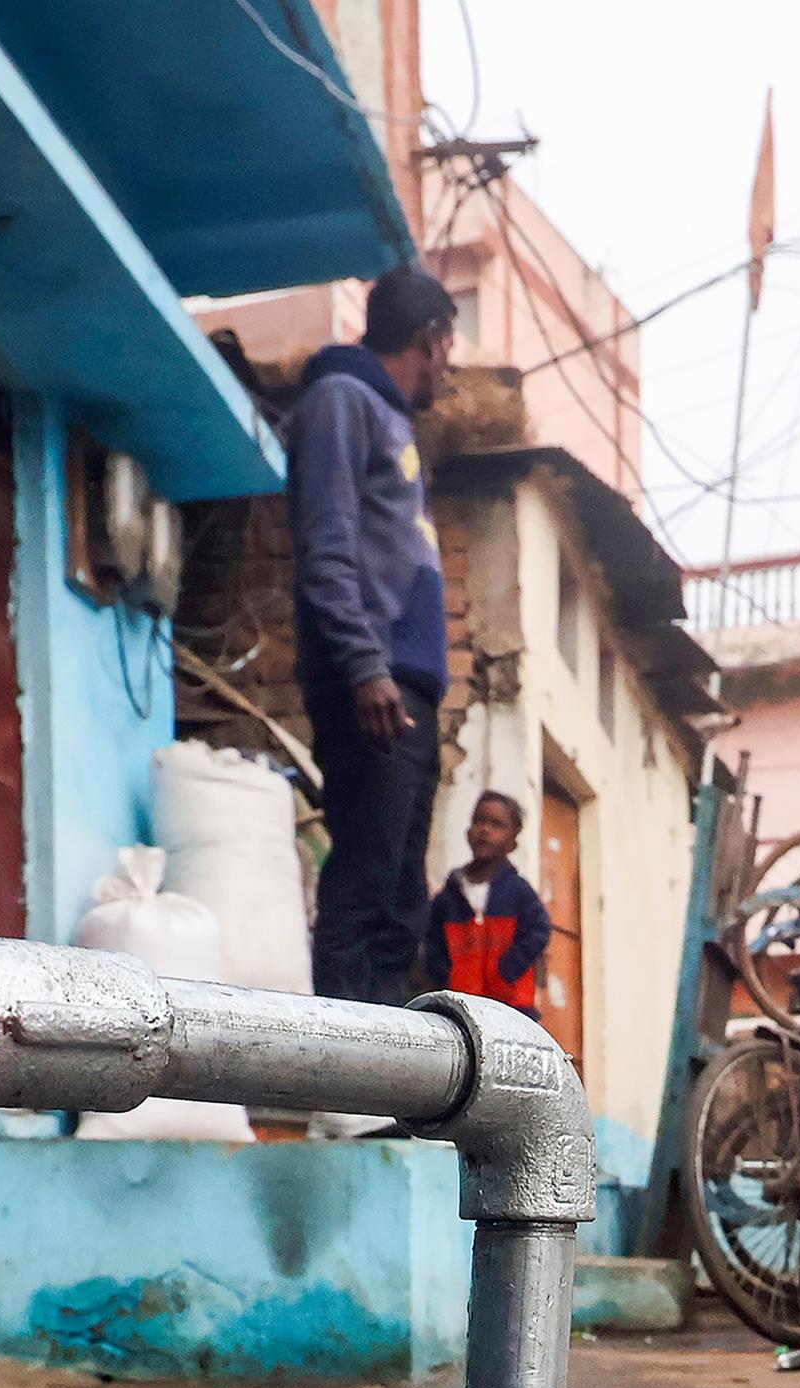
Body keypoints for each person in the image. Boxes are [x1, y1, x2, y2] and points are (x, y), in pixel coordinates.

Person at [290, 266, 458, 1003]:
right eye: (448, 350)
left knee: (399, 897)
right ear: (431, 338)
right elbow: (325, 549)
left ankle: (386, 1062)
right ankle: (340, 1066)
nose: (448, 368)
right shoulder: (341, 399)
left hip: (407, 684)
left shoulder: (391, 420)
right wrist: (364, 667)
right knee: (363, 883)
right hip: (373, 683)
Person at [422, 790, 551, 1009]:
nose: (485, 829)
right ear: (468, 832)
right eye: (479, 821)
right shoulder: (448, 897)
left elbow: (539, 930)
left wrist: (505, 972)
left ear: (512, 842)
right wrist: (445, 977)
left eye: (496, 824)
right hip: (459, 1009)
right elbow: (433, 943)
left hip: (513, 1008)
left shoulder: (519, 891)